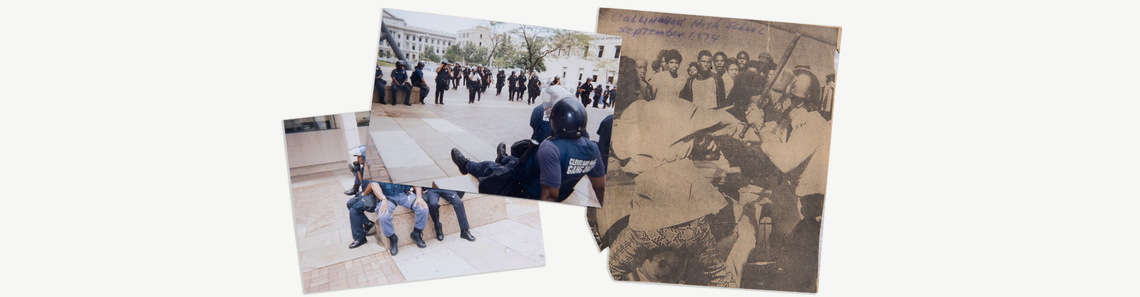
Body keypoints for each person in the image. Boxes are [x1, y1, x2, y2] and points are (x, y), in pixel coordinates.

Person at [450, 99, 605, 204]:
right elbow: (600, 187)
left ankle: (467, 165)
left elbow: (550, 195)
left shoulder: (551, 147)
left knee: (490, 167)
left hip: (527, 190)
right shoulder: (592, 148)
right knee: (515, 160)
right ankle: (504, 158)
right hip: (560, 190)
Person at [356, 181, 430, 255]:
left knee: (423, 209)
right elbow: (374, 184)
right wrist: (383, 198)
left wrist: (419, 197)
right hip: (387, 197)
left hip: (405, 194)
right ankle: (392, 238)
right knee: (383, 216)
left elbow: (415, 180)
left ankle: (416, 233)